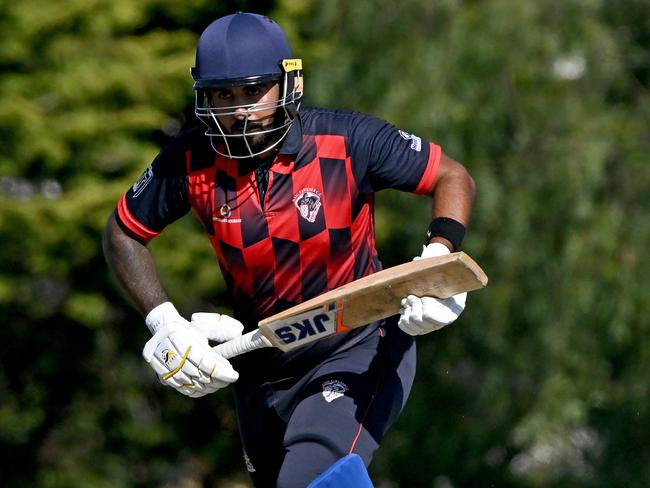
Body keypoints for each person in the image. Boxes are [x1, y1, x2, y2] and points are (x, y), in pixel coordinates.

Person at [102, 11, 476, 488]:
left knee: (310, 479)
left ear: (286, 84)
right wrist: (165, 321)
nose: (239, 110)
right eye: (223, 95)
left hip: (355, 343)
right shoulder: (189, 160)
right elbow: (122, 233)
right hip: (263, 364)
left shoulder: (347, 140)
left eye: (253, 91)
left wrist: (438, 258)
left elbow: (452, 175)